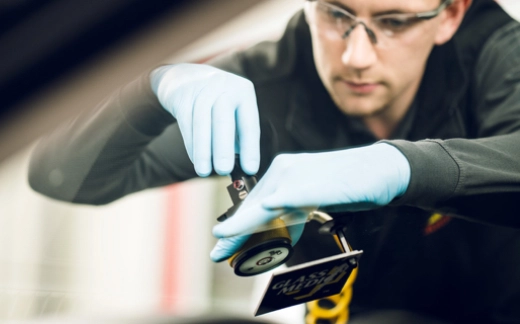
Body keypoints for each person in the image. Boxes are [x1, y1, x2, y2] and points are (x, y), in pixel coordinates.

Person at [28, 0, 520, 323]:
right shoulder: (267, 83)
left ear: (452, 13)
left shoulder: (497, 57)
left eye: (393, 22)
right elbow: (62, 178)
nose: (355, 56)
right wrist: (145, 93)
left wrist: (398, 167)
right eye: (336, 15)